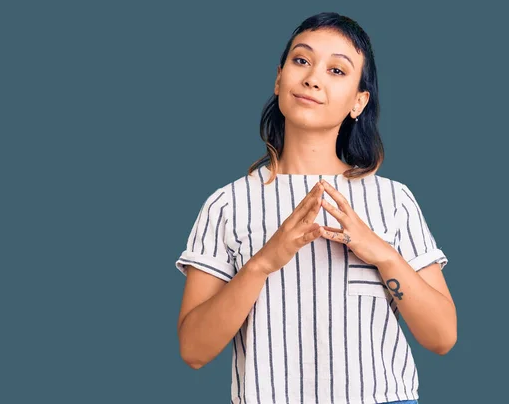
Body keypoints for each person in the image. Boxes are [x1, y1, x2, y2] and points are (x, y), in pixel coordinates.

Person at [175, 12, 456, 404]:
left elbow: (442, 337)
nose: (313, 78)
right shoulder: (227, 204)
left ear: (359, 101)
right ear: (279, 79)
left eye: (337, 70)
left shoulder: (394, 201)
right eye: (301, 60)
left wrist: (383, 255)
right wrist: (263, 262)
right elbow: (193, 351)